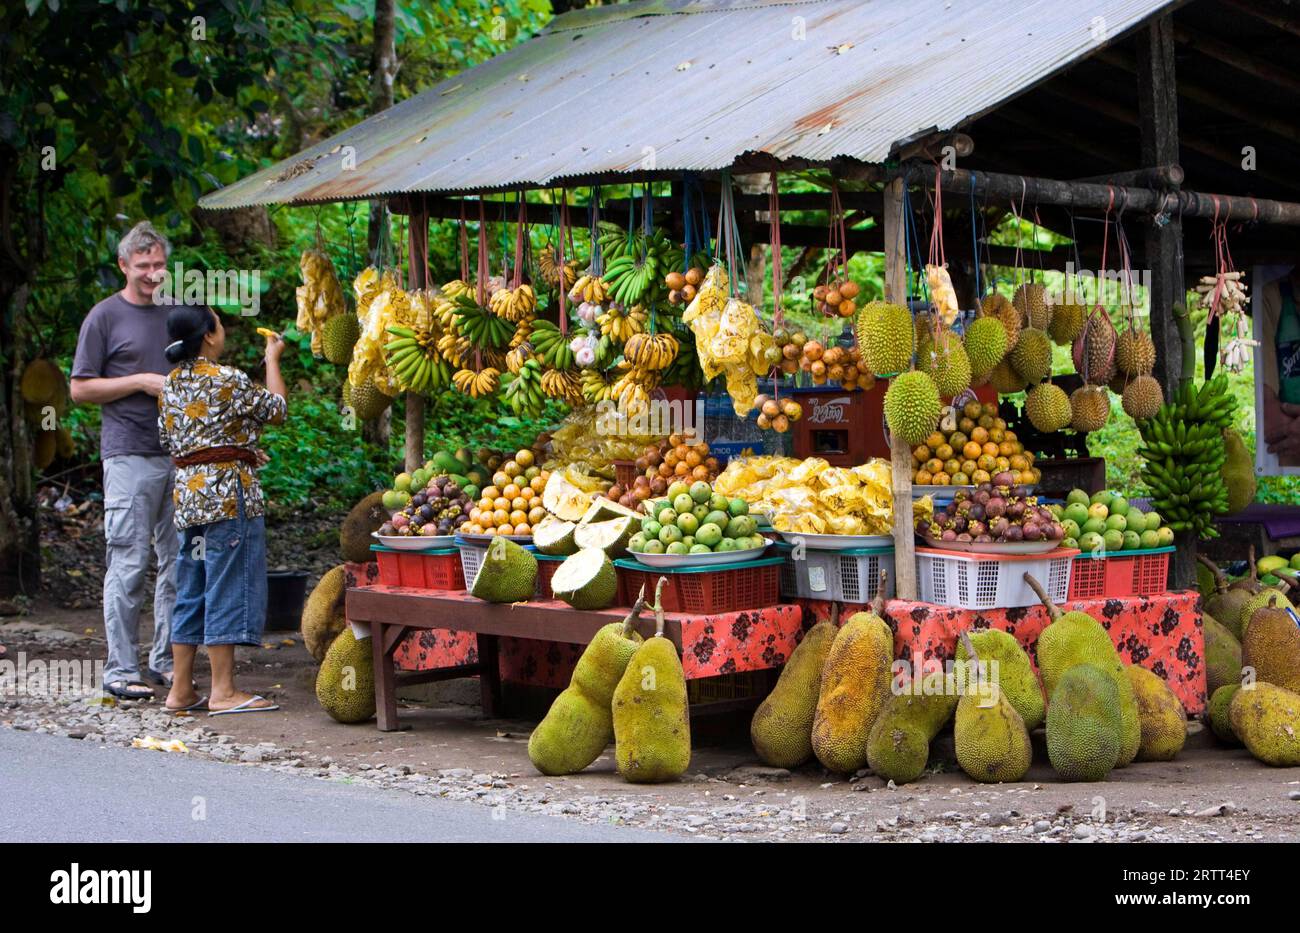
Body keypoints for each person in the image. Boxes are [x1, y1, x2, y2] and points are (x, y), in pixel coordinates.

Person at [70, 222, 184, 699]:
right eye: (144, 267)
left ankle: (165, 660)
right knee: (130, 563)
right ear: (124, 266)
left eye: (159, 265)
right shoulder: (104, 317)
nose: (153, 274)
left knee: (179, 565)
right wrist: (139, 381)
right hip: (128, 455)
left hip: (179, 455)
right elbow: (79, 389)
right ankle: (120, 669)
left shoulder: (177, 314)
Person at [157, 306, 288, 715]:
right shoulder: (227, 379)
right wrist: (272, 360)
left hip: (189, 499)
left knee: (192, 586)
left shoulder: (170, 385)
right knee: (227, 584)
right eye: (219, 322)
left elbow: (168, 439)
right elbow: (277, 409)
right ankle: (223, 691)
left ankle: (180, 690)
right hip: (229, 498)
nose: (223, 328)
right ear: (209, 336)